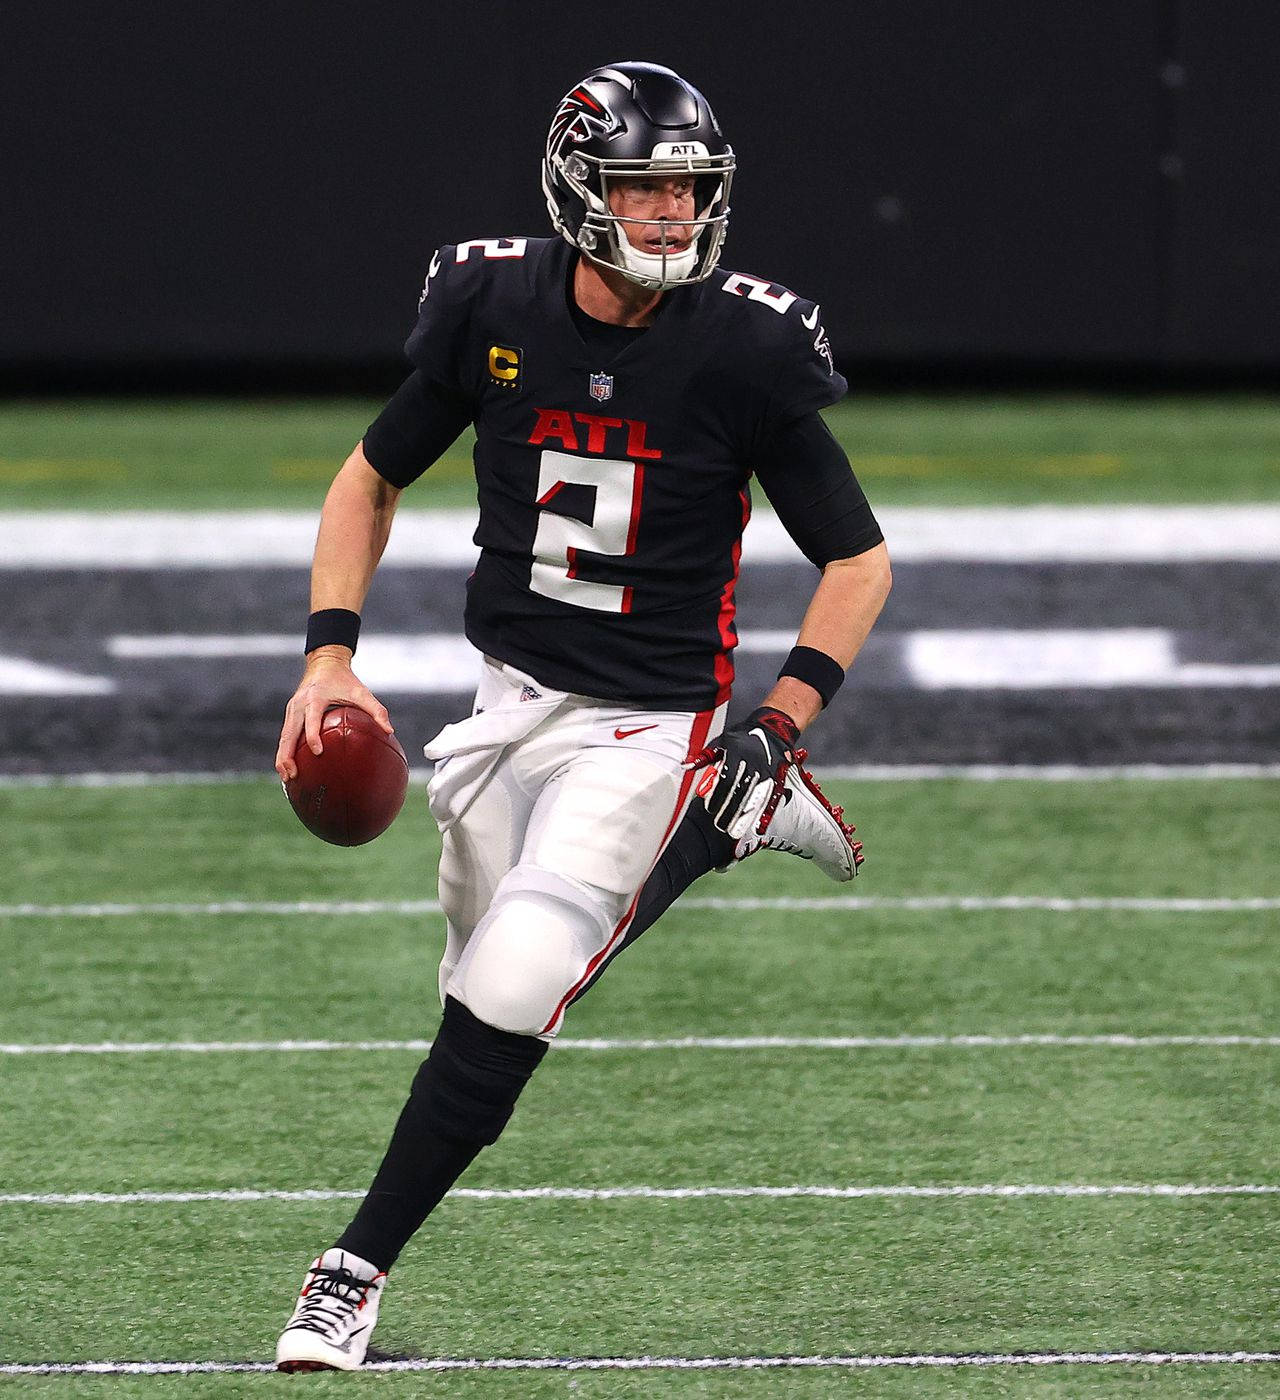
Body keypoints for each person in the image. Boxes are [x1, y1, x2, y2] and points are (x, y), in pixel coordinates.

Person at [271, 61, 891, 1372]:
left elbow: (858, 561)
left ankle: (350, 1271)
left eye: (688, 190)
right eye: (644, 187)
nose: (672, 215)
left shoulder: (744, 344)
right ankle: (730, 826)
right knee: (478, 977)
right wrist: (329, 659)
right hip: (503, 710)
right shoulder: (492, 304)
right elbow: (369, 478)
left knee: (514, 986)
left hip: (647, 727)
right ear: (576, 189)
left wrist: (782, 711)